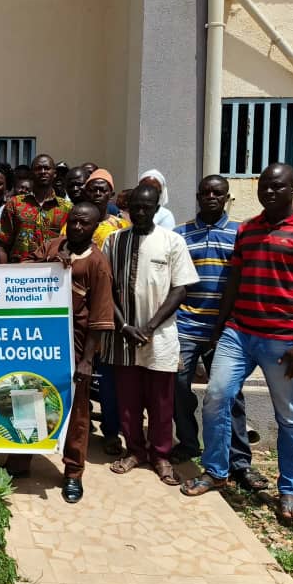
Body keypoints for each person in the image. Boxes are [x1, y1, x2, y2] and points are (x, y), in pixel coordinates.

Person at [183, 164, 293, 522]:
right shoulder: (247, 230)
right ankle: (216, 471)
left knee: (289, 416)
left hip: (284, 340)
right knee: (216, 396)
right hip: (239, 332)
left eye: (277, 186)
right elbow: (234, 281)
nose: (268, 192)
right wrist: (220, 327)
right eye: (264, 186)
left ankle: (289, 490)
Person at [170, 176, 266, 490]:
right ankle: (188, 443)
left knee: (230, 396)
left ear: (227, 197)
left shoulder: (241, 233)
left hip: (226, 330)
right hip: (186, 327)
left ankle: (240, 462)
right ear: (197, 196)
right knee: (178, 388)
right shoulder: (180, 234)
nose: (211, 197)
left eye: (217, 192)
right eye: (205, 192)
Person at [102, 184, 198, 487]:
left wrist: (150, 326)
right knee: (128, 401)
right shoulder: (114, 241)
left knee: (161, 402)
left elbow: (180, 289)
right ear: (128, 209)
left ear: (157, 208)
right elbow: (106, 288)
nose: (140, 212)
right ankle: (134, 450)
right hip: (123, 336)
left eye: (147, 207)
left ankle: (160, 455)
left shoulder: (172, 241)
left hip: (160, 335)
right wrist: (124, 326)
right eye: (136, 207)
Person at [30, 202, 114, 503]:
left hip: (75, 343)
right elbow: (23, 273)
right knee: (31, 394)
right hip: (40, 339)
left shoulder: (97, 263)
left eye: (85, 223)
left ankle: (73, 471)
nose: (78, 227)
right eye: (74, 221)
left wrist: (87, 360)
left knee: (76, 408)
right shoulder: (52, 246)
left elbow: (100, 317)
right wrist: (52, 266)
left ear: (95, 227)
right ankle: (23, 457)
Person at [73, 168, 129, 455]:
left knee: (106, 377)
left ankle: (110, 431)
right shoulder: (72, 223)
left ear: (111, 194)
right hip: (77, 313)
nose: (97, 193)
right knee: (79, 375)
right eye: (92, 189)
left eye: (102, 189)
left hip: (111, 308)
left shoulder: (121, 227)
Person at [0, 154, 71, 263]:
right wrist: (3, 271)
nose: (43, 171)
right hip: (19, 271)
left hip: (53, 270)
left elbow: (71, 244)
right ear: (31, 174)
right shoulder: (14, 203)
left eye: (47, 168)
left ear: (54, 173)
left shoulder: (67, 208)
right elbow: (3, 245)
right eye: (38, 168)